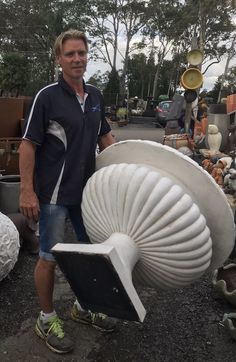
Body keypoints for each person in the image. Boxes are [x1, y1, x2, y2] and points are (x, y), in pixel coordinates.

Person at [19, 29, 115, 354]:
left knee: (91, 254)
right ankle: (46, 319)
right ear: (59, 59)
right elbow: (28, 145)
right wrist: (27, 191)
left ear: (88, 57)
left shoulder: (96, 96)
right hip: (54, 196)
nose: (77, 59)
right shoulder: (46, 97)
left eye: (82, 53)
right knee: (49, 256)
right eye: (70, 54)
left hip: (88, 194)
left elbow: (106, 140)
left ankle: (83, 307)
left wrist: (126, 173)